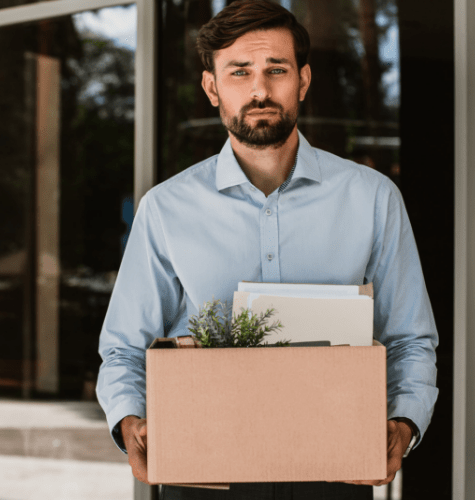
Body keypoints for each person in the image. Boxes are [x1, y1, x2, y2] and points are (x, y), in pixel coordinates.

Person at [96, 1, 438, 498]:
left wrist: (403, 424)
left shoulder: (372, 198)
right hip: (204, 478)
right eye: (239, 72)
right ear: (213, 88)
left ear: (302, 80)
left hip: (335, 474)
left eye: (275, 70)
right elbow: (124, 346)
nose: (259, 90)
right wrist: (128, 419)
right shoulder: (165, 209)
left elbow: (410, 337)